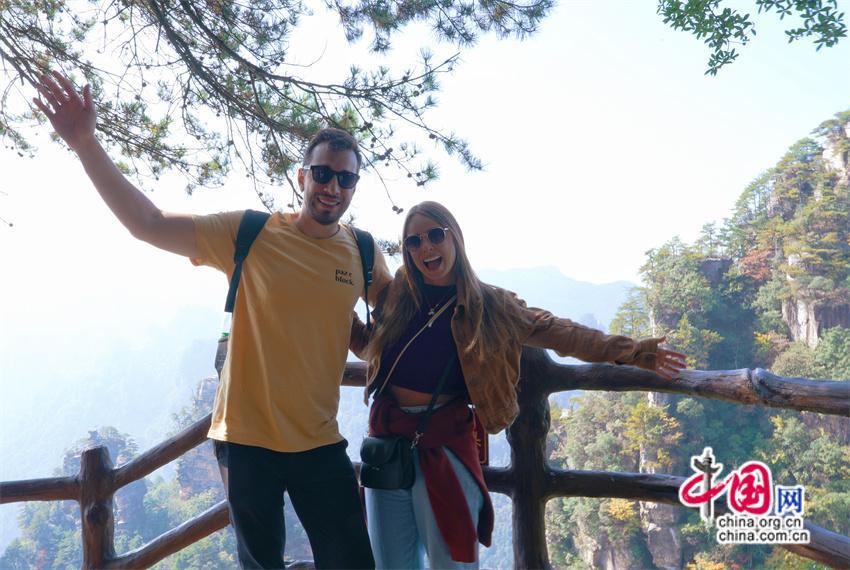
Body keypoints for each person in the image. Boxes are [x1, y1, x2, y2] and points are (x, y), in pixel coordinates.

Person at [33, 71, 391, 569]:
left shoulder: (364, 252)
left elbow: (407, 319)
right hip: (246, 440)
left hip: (320, 440)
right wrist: (86, 144)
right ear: (302, 176)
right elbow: (148, 224)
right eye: (323, 174)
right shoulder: (250, 233)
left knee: (352, 560)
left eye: (345, 178)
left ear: (354, 187)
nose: (333, 186)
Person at [350, 201, 687, 569]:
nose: (425, 248)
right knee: (388, 563)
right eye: (414, 241)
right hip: (387, 444)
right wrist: (333, 312)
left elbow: (561, 333)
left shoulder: (490, 305)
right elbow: (371, 347)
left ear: (454, 237)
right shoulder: (399, 293)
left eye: (434, 235)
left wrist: (636, 352)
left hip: (443, 445)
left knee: (452, 562)